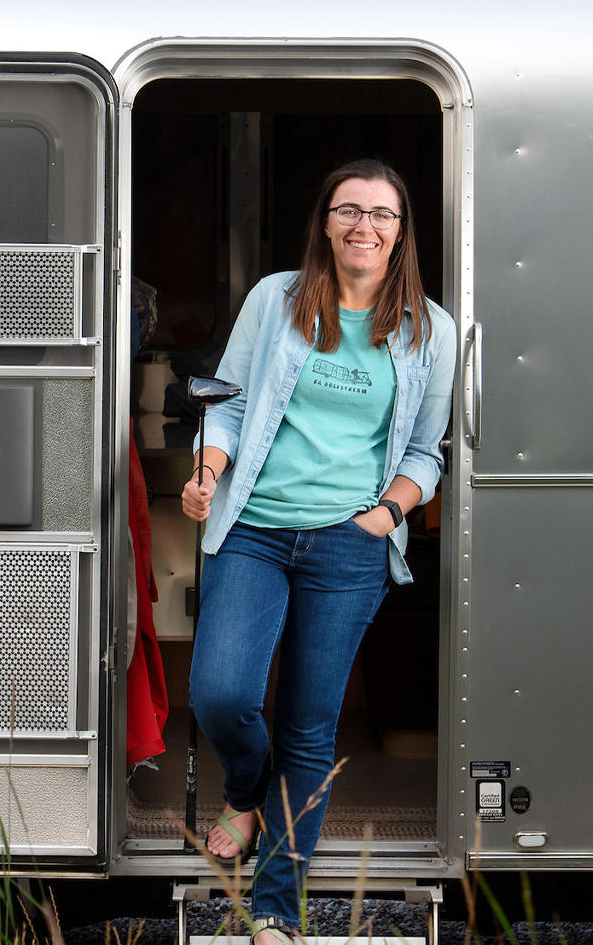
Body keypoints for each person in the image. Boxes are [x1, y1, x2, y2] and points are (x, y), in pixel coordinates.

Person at [180, 158, 456, 942]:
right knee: (222, 694)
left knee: (308, 724)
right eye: (349, 211)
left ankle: (275, 908)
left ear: (401, 231)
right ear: (326, 222)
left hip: (348, 544)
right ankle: (246, 789)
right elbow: (227, 411)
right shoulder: (277, 300)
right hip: (256, 531)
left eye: (382, 214)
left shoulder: (428, 331)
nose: (364, 226)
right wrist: (205, 474)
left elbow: (425, 455)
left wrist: (384, 516)